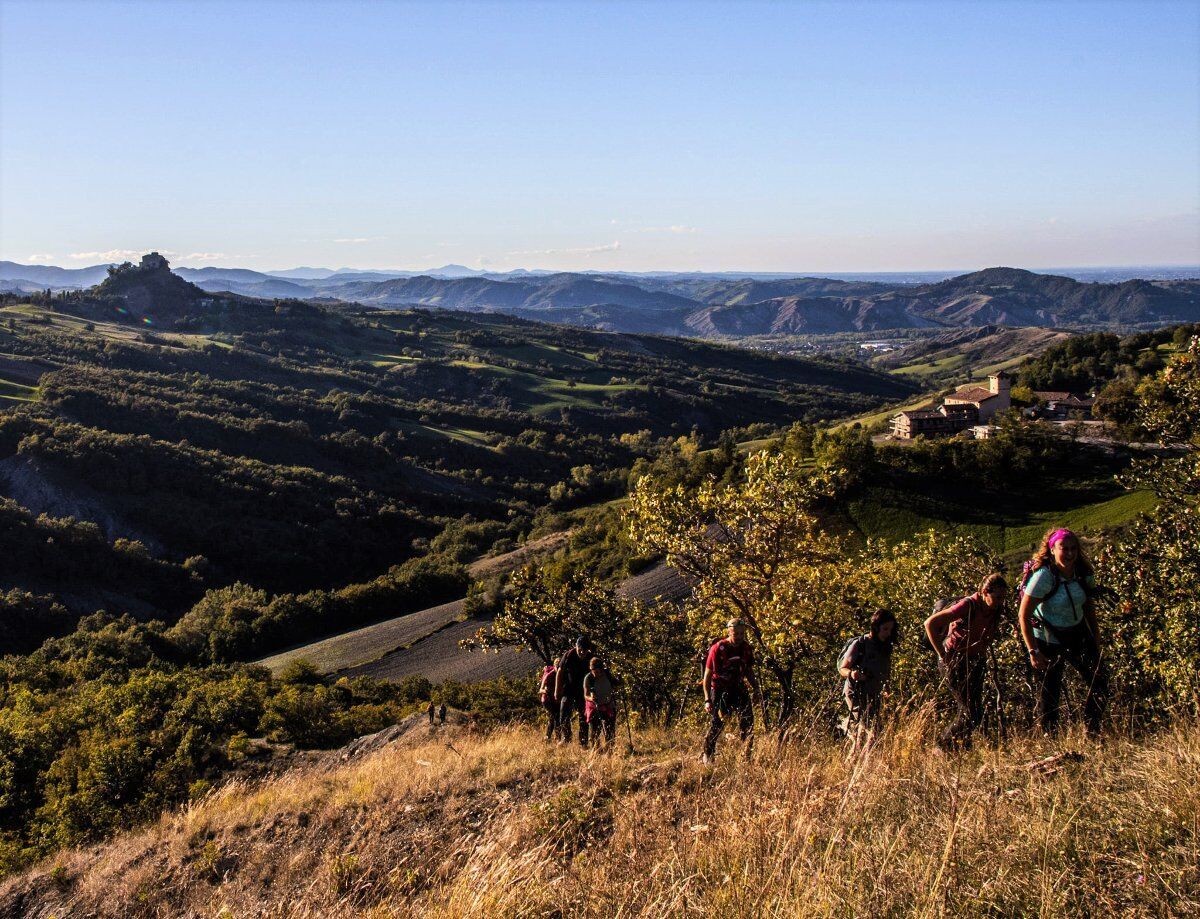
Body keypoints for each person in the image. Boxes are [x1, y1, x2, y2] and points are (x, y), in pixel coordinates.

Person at [1018, 528, 1107, 736]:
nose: (1069, 553)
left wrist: (1095, 636)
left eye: (1073, 548)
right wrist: (1033, 651)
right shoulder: (1044, 577)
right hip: (1047, 639)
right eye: (1064, 548)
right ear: (1052, 550)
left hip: (1077, 633)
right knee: (1049, 695)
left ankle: (1092, 730)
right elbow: (1023, 615)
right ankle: (1049, 739)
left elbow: (1088, 606)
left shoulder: (1083, 573)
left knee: (1100, 682)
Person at [925, 574, 1008, 749]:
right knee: (970, 711)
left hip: (975, 660)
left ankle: (960, 748)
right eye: (997, 597)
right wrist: (942, 654)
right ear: (984, 592)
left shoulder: (995, 609)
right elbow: (930, 623)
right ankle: (942, 745)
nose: (1001, 601)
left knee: (972, 708)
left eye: (1003, 597)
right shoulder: (967, 605)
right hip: (954, 660)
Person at [702, 619, 759, 762]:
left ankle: (746, 757)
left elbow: (748, 670)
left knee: (748, 722)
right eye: (736, 633)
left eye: (741, 634)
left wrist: (756, 688)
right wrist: (707, 699)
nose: (739, 636)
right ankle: (708, 755)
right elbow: (707, 676)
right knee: (717, 724)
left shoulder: (746, 648)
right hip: (720, 689)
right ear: (729, 632)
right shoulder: (718, 648)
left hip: (738, 687)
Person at [838, 609, 898, 746]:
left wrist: (887, 690)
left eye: (890, 629)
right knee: (873, 730)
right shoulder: (860, 644)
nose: (888, 633)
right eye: (885, 629)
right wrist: (852, 674)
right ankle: (864, 756)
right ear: (876, 627)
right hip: (856, 693)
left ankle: (855, 757)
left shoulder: (886, 647)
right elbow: (843, 668)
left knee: (864, 733)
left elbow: (885, 672)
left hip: (875, 693)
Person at [556, 636, 594, 747]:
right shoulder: (569, 655)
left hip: (583, 691)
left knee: (584, 715)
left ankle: (583, 742)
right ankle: (566, 738)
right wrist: (557, 691)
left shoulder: (591, 658)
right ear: (576, 646)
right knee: (564, 712)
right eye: (580, 649)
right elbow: (559, 672)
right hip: (568, 689)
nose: (582, 652)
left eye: (585, 650)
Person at [583, 657, 618, 749]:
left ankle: (610, 750)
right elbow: (586, 695)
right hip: (594, 707)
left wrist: (619, 681)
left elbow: (616, 684)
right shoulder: (588, 678)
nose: (596, 673)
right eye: (593, 671)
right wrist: (591, 698)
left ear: (601, 669)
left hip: (608, 705)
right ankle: (596, 750)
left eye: (598, 671)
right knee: (595, 731)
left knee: (610, 730)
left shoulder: (607, 674)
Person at [539, 658, 560, 741]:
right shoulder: (549, 675)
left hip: (555, 700)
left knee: (554, 718)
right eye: (557, 667)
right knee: (554, 717)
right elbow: (541, 689)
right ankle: (554, 737)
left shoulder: (561, 674)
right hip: (547, 700)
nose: (558, 669)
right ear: (554, 666)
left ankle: (549, 737)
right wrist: (547, 691)